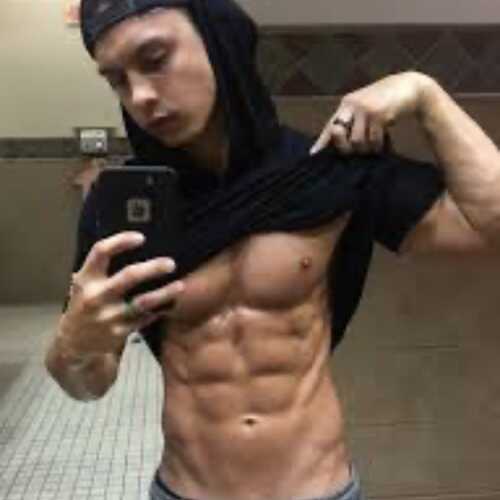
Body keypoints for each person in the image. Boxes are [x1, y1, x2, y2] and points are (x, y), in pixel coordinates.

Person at [45, 1, 500, 499]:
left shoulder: (326, 170)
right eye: (117, 80)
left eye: (155, 59)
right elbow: (88, 385)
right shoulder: (124, 211)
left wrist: (425, 93)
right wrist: (71, 348)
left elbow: (488, 225)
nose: (141, 96)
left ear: (220, 42)